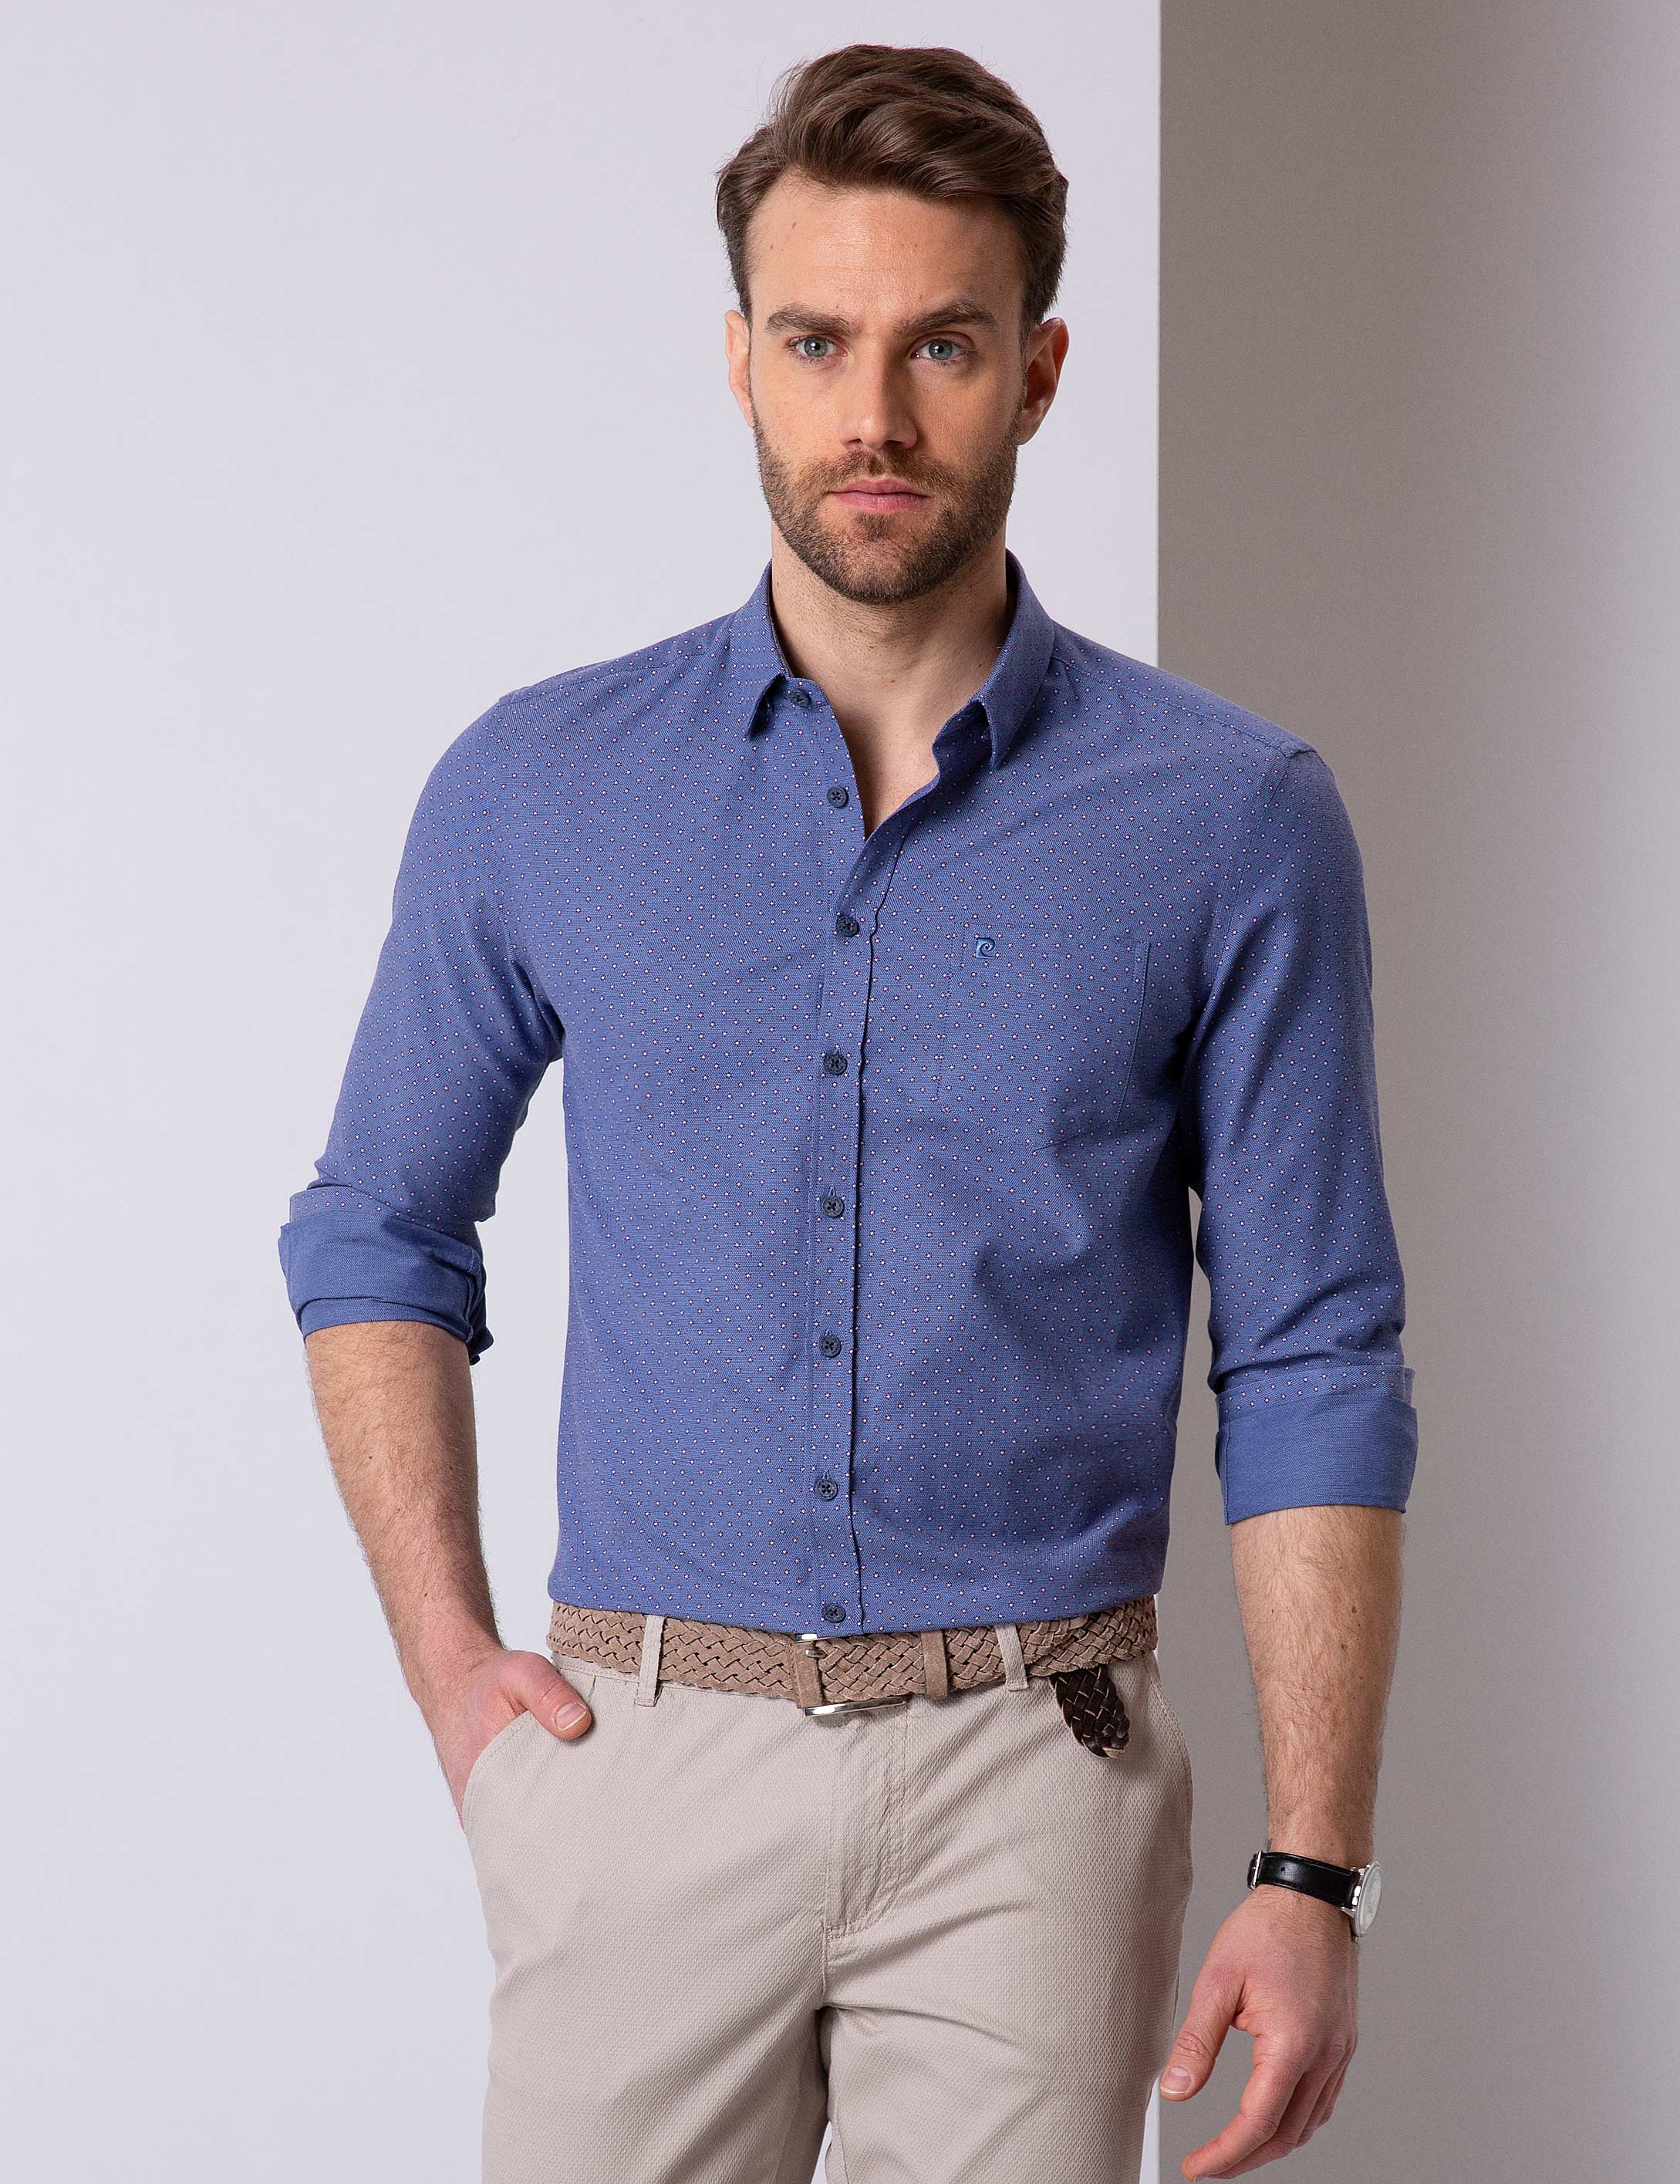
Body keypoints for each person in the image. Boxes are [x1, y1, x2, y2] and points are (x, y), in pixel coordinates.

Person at [278, 40, 1415, 2184]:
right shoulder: (539, 786)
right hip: (639, 1767)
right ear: (739, 359)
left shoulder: (1231, 817)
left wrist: (1313, 1868)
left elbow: (1312, 1355)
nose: (872, 415)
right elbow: (375, 1234)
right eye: (816, 342)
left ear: (1039, 370)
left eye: (940, 347)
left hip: (1035, 1785)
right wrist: (448, 1666)